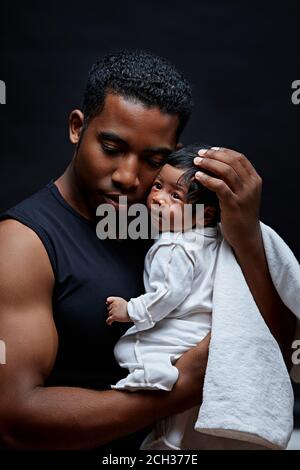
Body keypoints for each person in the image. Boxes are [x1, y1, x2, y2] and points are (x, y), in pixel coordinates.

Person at [0, 49, 295, 451]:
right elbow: (14, 418)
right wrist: (183, 387)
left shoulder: (177, 225)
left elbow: (279, 358)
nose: (128, 177)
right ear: (76, 127)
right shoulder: (23, 243)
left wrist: (245, 238)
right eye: (111, 147)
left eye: (152, 160)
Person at [106, 144, 219, 393]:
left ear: (205, 214)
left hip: (182, 327)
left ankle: (154, 376)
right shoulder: (213, 238)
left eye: (175, 196)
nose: (158, 198)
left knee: (126, 347)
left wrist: (131, 310)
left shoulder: (172, 245)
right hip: (206, 328)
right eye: (158, 186)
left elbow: (168, 294)